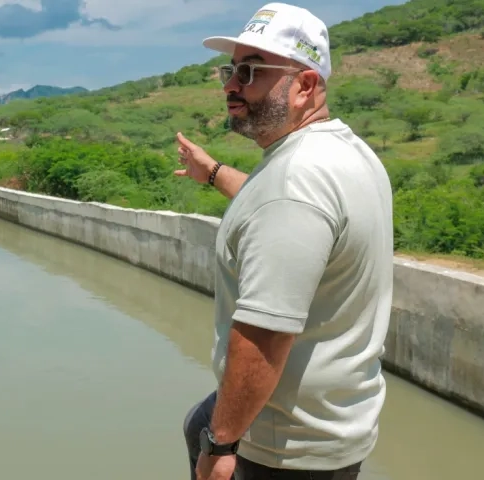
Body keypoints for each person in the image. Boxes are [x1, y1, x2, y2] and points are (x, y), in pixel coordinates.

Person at [174, 3, 394, 480]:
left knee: (203, 428)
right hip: (331, 420)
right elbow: (270, 208)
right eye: (231, 69)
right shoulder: (339, 150)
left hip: (283, 447)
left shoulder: (295, 182)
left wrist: (221, 444)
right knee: (197, 419)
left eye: (251, 71)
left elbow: (264, 336)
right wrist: (212, 173)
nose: (232, 85)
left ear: (305, 86)